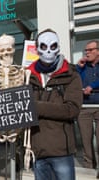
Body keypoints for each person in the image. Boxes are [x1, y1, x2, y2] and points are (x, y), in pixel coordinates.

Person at [27, 29, 83, 180]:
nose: (49, 52)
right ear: (37, 49)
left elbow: (72, 110)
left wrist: (36, 106)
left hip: (60, 151)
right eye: (44, 47)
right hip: (37, 149)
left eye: (53, 46)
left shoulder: (71, 74)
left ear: (58, 47)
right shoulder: (28, 75)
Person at [76, 40, 99, 170]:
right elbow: (75, 80)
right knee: (86, 141)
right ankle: (89, 168)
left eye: (90, 50)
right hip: (84, 108)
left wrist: (92, 86)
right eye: (86, 50)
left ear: (98, 51)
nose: (87, 52)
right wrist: (79, 67)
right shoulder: (82, 66)